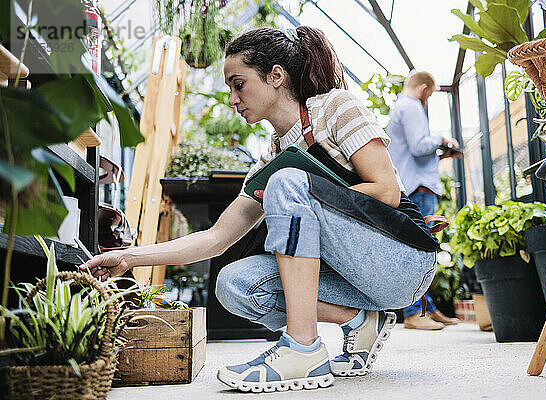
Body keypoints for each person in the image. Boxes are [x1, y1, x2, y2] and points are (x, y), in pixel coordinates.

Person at [82, 27, 439, 393]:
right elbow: (216, 238)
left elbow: (386, 191)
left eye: (239, 84)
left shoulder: (335, 108)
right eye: (229, 89)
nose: (233, 99)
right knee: (235, 285)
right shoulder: (271, 158)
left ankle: (303, 348)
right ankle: (360, 320)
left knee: (287, 180)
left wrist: (298, 192)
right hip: (351, 280)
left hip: (401, 263)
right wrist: (130, 257)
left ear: (276, 76)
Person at [386, 71, 462, 330]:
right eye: (429, 94)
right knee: (418, 251)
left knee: (419, 249)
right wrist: (441, 139)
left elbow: (411, 153)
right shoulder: (411, 106)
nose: (427, 100)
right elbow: (419, 146)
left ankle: (427, 308)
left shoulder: (401, 108)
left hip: (413, 185)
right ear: (423, 88)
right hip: (417, 189)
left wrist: (441, 156)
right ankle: (414, 314)